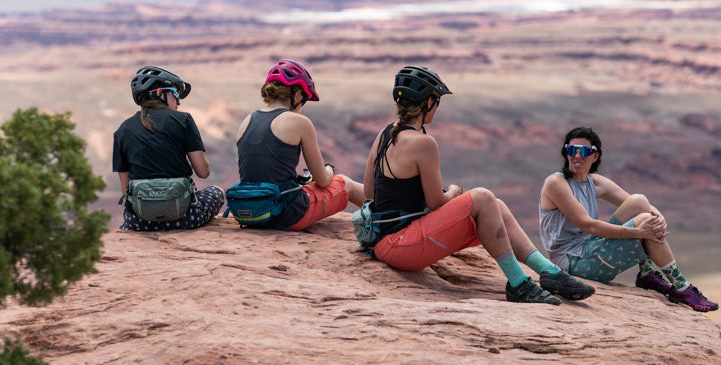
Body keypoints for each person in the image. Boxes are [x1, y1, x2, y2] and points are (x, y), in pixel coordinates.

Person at [363, 65, 595, 305]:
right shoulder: (424, 143)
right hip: (401, 248)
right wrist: (454, 191)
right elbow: (435, 203)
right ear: (427, 103)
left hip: (385, 242)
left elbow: (369, 192)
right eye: (437, 100)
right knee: (483, 197)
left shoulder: (385, 134)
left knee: (496, 205)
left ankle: (549, 272)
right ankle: (518, 283)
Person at [538, 126, 718, 312]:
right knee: (643, 220)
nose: (576, 156)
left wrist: (659, 218)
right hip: (572, 264)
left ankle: (647, 274)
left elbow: (642, 204)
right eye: (571, 150)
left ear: (595, 156)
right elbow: (588, 225)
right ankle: (682, 288)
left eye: (583, 151)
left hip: (590, 249)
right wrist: (638, 232)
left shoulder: (595, 183)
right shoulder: (556, 183)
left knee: (638, 201)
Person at [235, 59, 365, 230]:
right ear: (296, 94)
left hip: (250, 210)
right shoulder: (300, 122)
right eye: (304, 98)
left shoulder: (246, 121)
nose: (302, 106)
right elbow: (323, 180)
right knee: (345, 183)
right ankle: (391, 216)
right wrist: (329, 169)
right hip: (286, 214)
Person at [113, 64, 225, 231]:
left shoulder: (123, 129)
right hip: (185, 218)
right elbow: (203, 172)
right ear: (159, 93)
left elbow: (125, 189)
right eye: (175, 93)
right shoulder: (183, 120)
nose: (178, 101)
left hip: (138, 222)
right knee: (217, 191)